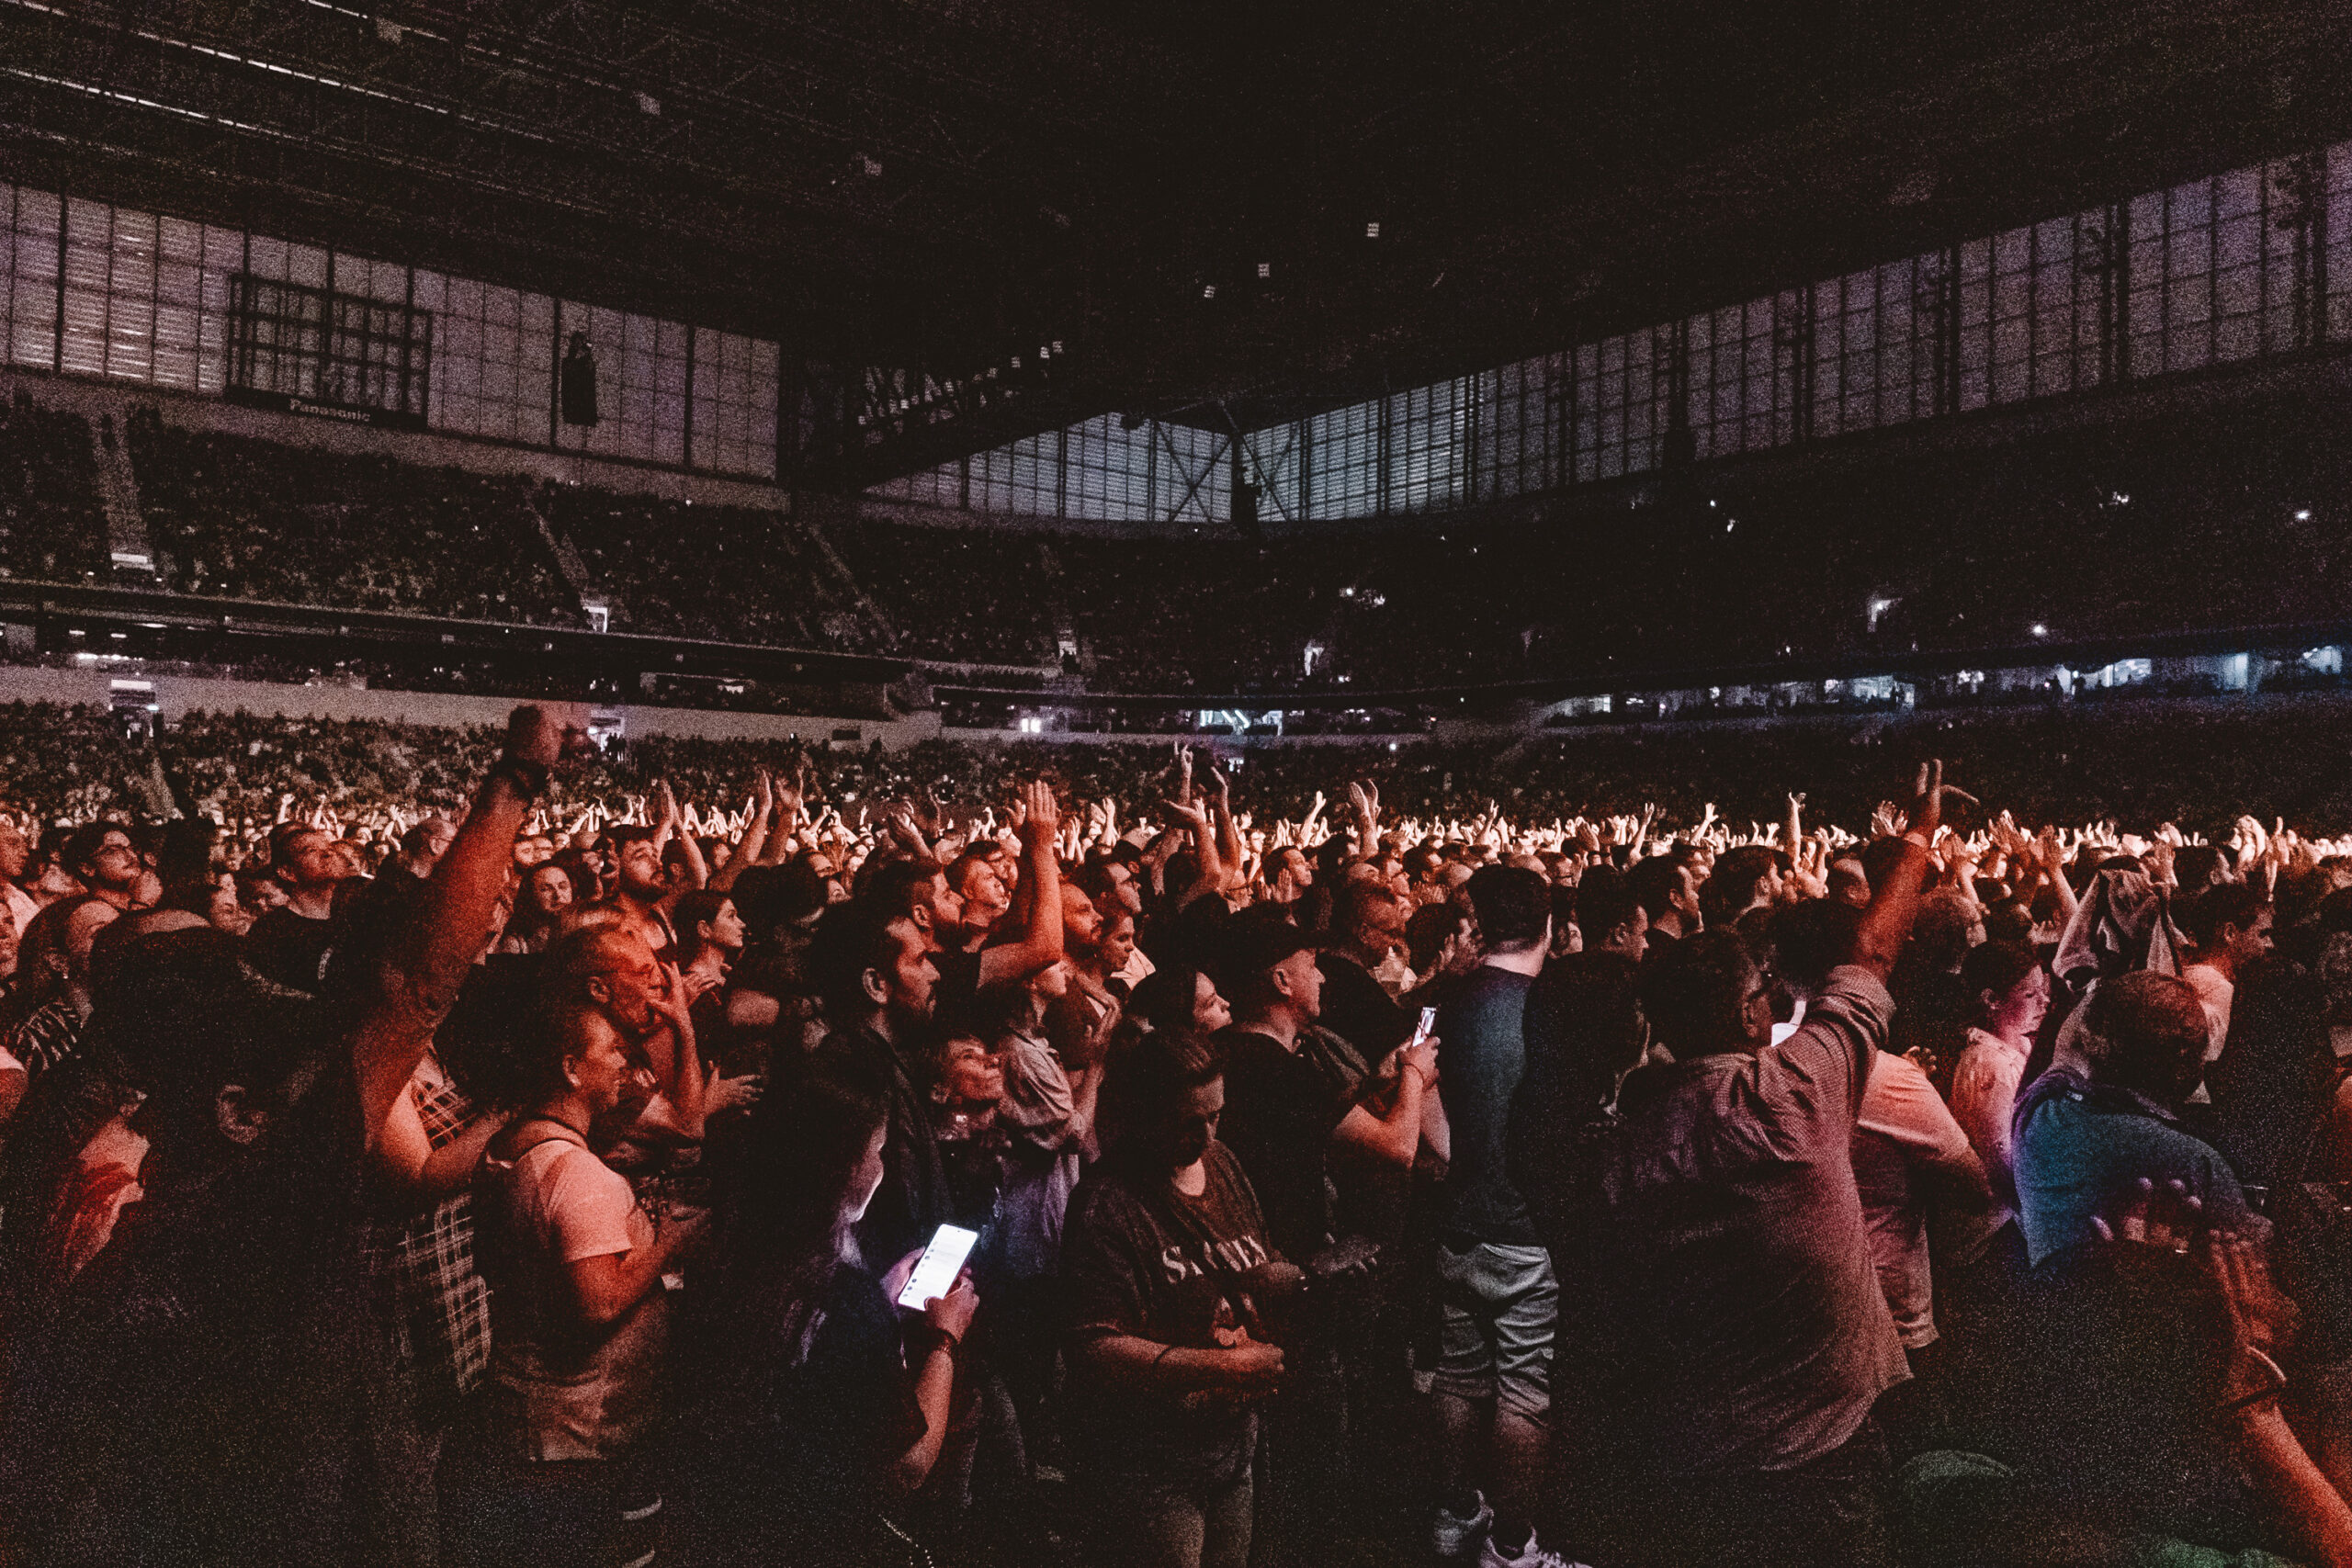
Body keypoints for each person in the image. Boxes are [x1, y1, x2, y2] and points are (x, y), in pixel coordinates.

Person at [1590, 762, 1952, 1568]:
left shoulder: (1622, 1146)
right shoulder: (1795, 1091)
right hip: (1821, 1447)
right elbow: (1874, 952)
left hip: (1697, 1450)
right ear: (1751, 1012)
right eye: (1763, 989)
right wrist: (1918, 835)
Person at [446, 924, 713, 1568]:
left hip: (541, 1426)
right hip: (572, 1437)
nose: (623, 1063)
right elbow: (596, 1304)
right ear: (570, 1068)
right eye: (610, 1052)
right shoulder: (575, 1173)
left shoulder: (515, 1145)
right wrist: (670, 1243)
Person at [677, 1066, 978, 1567]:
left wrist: (881, 1297)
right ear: (842, 1166)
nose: (882, 1165)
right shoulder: (844, 1301)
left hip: (727, 1526)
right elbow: (906, 1466)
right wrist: (945, 1337)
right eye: (877, 1150)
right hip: (818, 1538)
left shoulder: (727, 1256)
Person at [1060, 1027, 1293, 1568]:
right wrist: (1222, 1368)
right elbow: (1093, 1347)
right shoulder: (1107, 1205)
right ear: (1144, 1115)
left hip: (1231, 1445)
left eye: (1216, 1116)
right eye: (1189, 1122)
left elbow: (1250, 1257)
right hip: (1149, 1465)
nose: (1207, 1136)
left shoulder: (1223, 1164)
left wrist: (1289, 1280)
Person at [1429, 863, 1570, 1568]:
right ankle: (1512, 1547)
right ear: (1548, 924)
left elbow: (1421, 1091)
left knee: (1457, 1377)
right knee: (1523, 1393)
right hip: (1525, 1229)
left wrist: (1457, 1164)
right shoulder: (1548, 1009)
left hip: (1459, 1220)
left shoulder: (1448, 1000)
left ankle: (1454, 1514)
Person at [2011, 968, 2255, 1267]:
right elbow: (2247, 1272)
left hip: (2050, 1293)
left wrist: (2106, 995)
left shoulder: (2038, 1112)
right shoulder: (2197, 1164)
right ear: (2191, 1068)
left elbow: (2068, 1044)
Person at [244, 822, 359, 992]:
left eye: (329, 848)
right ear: (287, 872)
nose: (327, 853)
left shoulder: (355, 918)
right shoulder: (271, 930)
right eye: (311, 850)